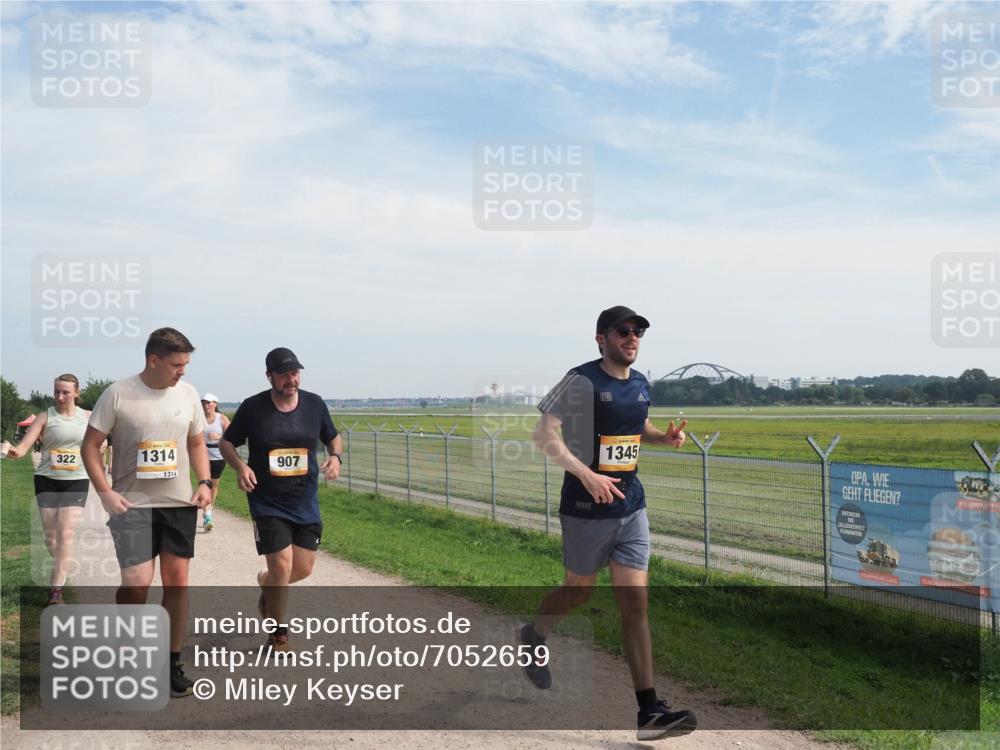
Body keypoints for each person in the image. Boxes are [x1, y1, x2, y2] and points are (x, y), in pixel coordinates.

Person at [521, 305, 697, 741]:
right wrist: (586, 473)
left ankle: (649, 712)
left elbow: (636, 428)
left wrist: (663, 437)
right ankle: (534, 634)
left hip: (631, 507)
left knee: (634, 603)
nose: (632, 338)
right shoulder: (581, 379)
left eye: (638, 332)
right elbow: (544, 435)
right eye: (623, 331)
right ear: (601, 338)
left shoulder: (639, 383)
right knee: (578, 592)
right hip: (585, 511)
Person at [80, 327, 212, 698]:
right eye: (176, 364)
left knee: (177, 580)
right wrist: (104, 492)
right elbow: (90, 447)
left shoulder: (187, 394)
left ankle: (170, 663)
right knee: (137, 584)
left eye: (186, 364)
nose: (182, 371)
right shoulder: (118, 393)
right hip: (131, 505)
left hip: (178, 504)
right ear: (153, 360)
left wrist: (204, 481)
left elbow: (197, 441)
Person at [219, 347, 341, 651]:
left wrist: (336, 456)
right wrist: (241, 466)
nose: (291, 379)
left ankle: (268, 582)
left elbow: (333, 436)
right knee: (283, 566)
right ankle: (278, 632)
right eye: (284, 374)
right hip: (267, 501)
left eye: (295, 373)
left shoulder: (314, 404)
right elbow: (226, 443)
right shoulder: (253, 407)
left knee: (302, 569)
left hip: (305, 499)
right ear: (269, 376)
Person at [2, 374, 92, 606]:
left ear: (77, 393)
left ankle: (55, 591)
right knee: (52, 540)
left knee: (65, 534)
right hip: (47, 479)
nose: (60, 397)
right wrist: (11, 450)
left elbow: (104, 441)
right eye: (56, 392)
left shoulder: (88, 418)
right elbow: (23, 449)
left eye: (65, 392)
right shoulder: (44, 417)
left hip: (77, 480)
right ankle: (64, 561)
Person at [199, 393, 230, 532]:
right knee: (205, 483)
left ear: (215, 404)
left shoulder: (221, 419)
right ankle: (208, 515)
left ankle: (208, 510)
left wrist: (219, 436)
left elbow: (232, 436)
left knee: (214, 484)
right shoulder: (198, 419)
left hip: (218, 456)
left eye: (209, 403)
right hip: (203, 456)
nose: (206, 405)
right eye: (204, 403)